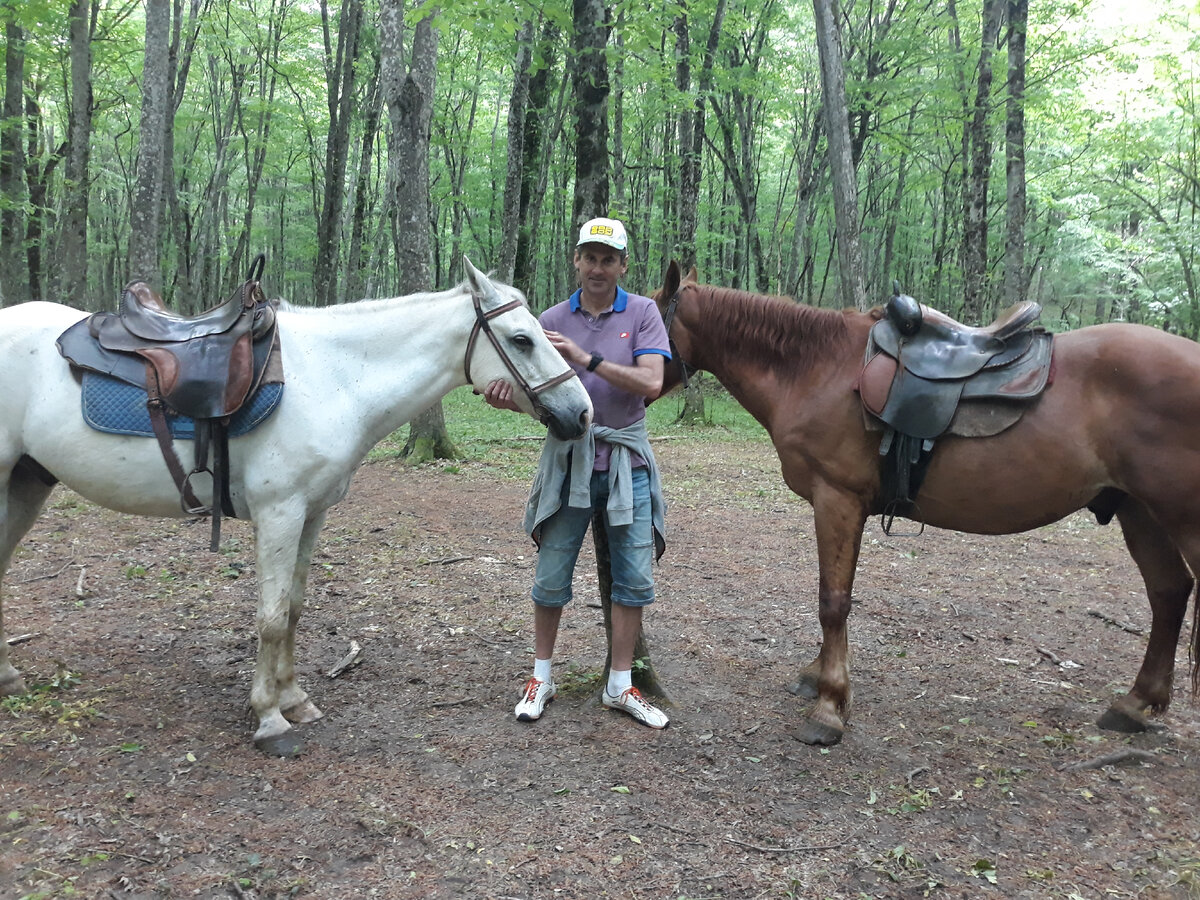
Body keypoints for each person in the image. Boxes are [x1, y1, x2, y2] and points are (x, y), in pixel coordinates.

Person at [484, 216, 671, 729]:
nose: (597, 267)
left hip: (626, 463)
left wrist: (587, 359)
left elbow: (651, 383)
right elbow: (547, 403)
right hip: (567, 463)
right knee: (551, 575)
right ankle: (541, 677)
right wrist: (510, 404)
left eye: (608, 258)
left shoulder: (643, 312)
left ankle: (620, 685)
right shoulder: (548, 319)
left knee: (632, 579)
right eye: (589, 256)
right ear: (576, 260)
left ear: (623, 265)